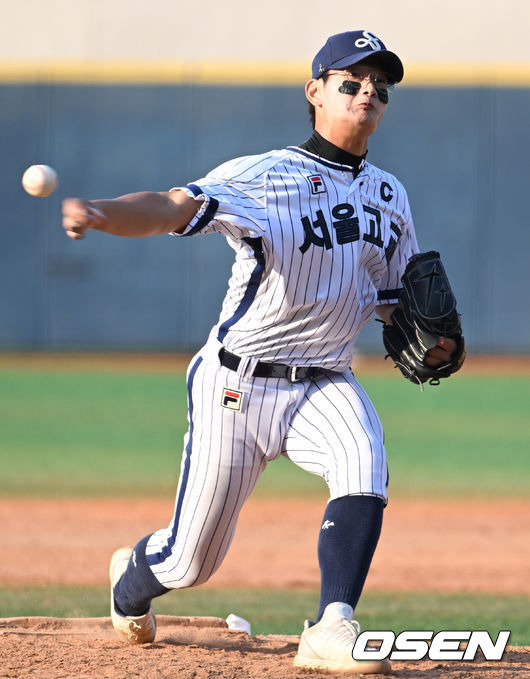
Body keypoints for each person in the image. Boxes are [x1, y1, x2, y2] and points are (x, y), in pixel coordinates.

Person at [62, 30, 457, 675]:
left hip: (325, 380)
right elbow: (170, 206)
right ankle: (130, 581)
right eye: (351, 81)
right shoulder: (265, 176)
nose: (368, 93)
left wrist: (423, 331)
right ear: (315, 91)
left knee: (364, 461)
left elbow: (391, 295)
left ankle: (333, 626)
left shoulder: (391, 195)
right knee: (192, 559)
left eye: (380, 87)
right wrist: (102, 212)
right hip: (236, 387)